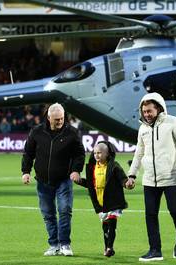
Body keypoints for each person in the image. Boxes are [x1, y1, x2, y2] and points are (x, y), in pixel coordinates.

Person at [126, 92, 176, 261]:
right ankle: (155, 250)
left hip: (172, 177)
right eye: (144, 111)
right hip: (149, 179)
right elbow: (139, 152)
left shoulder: (173, 122)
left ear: (159, 109)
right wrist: (132, 175)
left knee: (175, 211)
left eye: (149, 111)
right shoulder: (143, 128)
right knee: (150, 215)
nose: (146, 114)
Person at [21, 103, 85, 256]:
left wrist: (76, 170)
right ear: (49, 118)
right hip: (43, 181)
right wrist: (25, 171)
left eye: (62, 118)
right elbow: (28, 153)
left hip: (64, 180)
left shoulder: (72, 133)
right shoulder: (36, 132)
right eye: (56, 119)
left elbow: (79, 154)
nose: (60, 122)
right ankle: (54, 245)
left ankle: (65, 244)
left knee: (64, 211)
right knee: (48, 214)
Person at [74, 141, 134, 257]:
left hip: (113, 201)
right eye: (95, 153)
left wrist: (127, 184)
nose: (97, 155)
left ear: (107, 154)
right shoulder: (91, 168)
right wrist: (80, 181)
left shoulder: (114, 166)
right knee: (105, 227)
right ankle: (106, 247)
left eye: (100, 153)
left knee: (112, 223)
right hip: (100, 203)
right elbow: (91, 185)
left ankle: (110, 247)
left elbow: (122, 179)